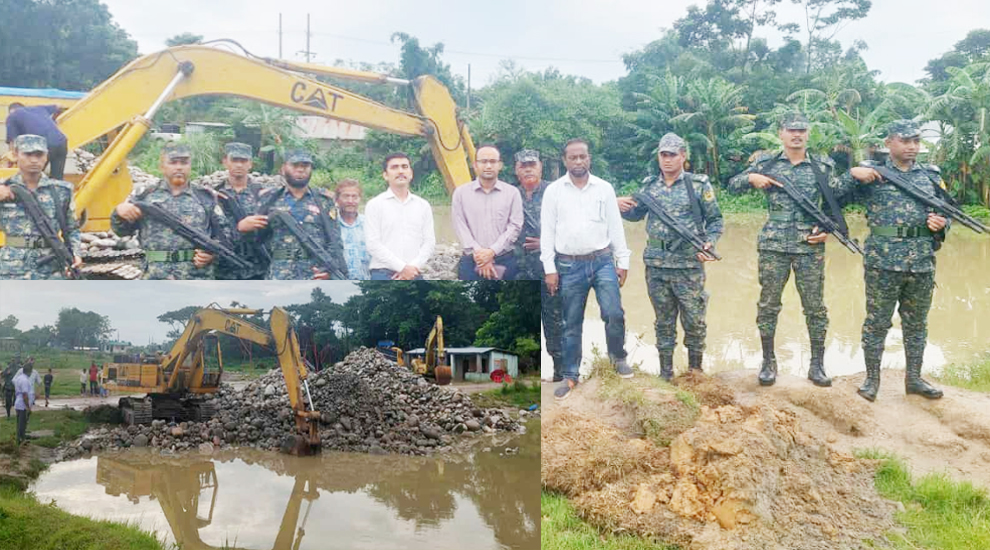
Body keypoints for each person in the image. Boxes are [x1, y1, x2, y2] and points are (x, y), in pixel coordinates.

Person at [728, 113, 853, 388]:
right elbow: (732, 186)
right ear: (781, 133)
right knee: (768, 305)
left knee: (815, 307)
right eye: (791, 130)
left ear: (808, 133)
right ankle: (768, 362)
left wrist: (829, 228)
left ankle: (817, 365)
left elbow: (835, 202)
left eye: (802, 130)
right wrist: (751, 178)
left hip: (810, 245)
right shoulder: (766, 163)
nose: (797, 134)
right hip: (774, 245)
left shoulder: (822, 166)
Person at [847, 120, 947, 401]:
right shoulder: (872, 174)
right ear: (889, 142)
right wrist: (852, 173)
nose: (912, 146)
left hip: (921, 261)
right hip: (883, 262)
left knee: (917, 324)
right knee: (877, 322)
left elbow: (946, 210)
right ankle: (871, 380)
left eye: (916, 141)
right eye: (905, 140)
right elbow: (833, 195)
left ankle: (914, 379)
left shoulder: (930, 176)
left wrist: (942, 224)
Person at [618, 133, 724, 380]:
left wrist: (710, 242)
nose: (667, 160)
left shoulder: (698, 185)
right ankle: (665, 374)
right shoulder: (649, 186)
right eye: (663, 155)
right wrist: (618, 206)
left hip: (688, 264)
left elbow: (715, 220)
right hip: (656, 265)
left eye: (672, 155)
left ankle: (695, 372)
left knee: (695, 320)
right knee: (663, 322)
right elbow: (635, 215)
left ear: (683, 156)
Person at [541, 138, 633, 401]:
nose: (578, 161)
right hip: (568, 265)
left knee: (613, 313)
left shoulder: (604, 188)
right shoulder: (554, 192)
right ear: (565, 160)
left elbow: (615, 226)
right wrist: (550, 268)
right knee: (571, 322)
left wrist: (623, 261)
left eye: (583, 156)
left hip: (602, 260)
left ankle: (618, 358)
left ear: (589, 158)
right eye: (573, 157)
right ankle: (570, 375)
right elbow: (547, 232)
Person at [111, 142, 227, 280]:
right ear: (162, 166)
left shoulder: (206, 197)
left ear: (190, 166)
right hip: (155, 276)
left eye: (184, 162)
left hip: (196, 276)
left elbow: (225, 234)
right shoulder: (144, 196)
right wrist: (119, 213)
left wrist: (212, 254)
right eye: (173, 162)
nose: (179, 167)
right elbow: (122, 231)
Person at [242, 149, 348, 280]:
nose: (300, 170)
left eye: (305, 166)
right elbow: (256, 239)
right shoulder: (269, 198)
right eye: (295, 165)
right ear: (283, 168)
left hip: (315, 273)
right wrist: (243, 228)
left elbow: (334, 240)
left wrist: (328, 271)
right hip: (280, 273)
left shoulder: (324, 200)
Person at [511, 149, 564, 381]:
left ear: (540, 166)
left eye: (532, 164)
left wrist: (546, 243)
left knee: (555, 321)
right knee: (522, 323)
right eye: (523, 166)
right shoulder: (510, 195)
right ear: (516, 169)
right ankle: (527, 377)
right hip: (519, 271)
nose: (528, 169)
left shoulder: (556, 191)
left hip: (551, 270)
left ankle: (561, 374)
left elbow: (574, 225)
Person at [0, 134, 82, 279]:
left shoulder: (61, 190)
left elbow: (72, 228)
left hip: (51, 266)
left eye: (39, 155)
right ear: (16, 155)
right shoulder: (4, 189)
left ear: (46, 156)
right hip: (12, 267)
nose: (34, 160)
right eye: (28, 154)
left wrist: (75, 254)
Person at [452, 145, 523, 280]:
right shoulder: (460, 193)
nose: (488, 166)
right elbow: (460, 225)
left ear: (500, 165)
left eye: (493, 161)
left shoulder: (512, 193)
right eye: (483, 161)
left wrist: (492, 251)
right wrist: (480, 255)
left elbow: (515, 226)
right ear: (475, 165)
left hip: (504, 259)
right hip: (471, 261)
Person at [364, 152, 436, 280]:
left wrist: (413, 267)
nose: (400, 171)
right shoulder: (374, 205)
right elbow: (372, 244)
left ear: (411, 173)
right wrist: (402, 267)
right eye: (394, 167)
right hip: (383, 273)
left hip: (414, 272)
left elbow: (429, 242)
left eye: (404, 166)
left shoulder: (423, 206)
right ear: (385, 175)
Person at [212, 142, 272, 280]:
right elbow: (210, 231)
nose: (239, 165)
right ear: (225, 162)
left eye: (243, 161)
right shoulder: (213, 195)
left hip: (258, 270)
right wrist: (238, 229)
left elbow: (272, 232)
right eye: (234, 160)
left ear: (250, 164)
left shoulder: (263, 195)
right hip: (224, 270)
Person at [5, 103, 68, 179]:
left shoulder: (12, 116)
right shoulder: (38, 108)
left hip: (44, 144)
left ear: (10, 111)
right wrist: (54, 120)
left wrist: (12, 159)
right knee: (57, 177)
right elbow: (59, 106)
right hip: (61, 141)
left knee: (32, 176)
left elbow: (12, 141)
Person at [335, 178, 371, 280]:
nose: (350, 201)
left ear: (360, 199)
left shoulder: (370, 224)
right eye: (346, 196)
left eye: (354, 197)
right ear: (337, 199)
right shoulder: (330, 225)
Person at [13, 361, 35, 445]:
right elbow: (25, 395)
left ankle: (21, 439)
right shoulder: (25, 380)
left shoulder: (19, 378)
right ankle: (20, 440)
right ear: (29, 371)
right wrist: (28, 407)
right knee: (22, 424)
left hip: (18, 403)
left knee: (20, 423)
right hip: (22, 405)